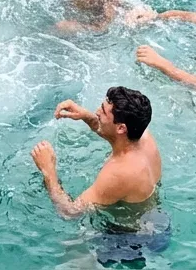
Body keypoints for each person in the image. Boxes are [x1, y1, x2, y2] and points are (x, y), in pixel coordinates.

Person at [31, 88, 167, 259]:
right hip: (156, 222)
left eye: (102, 112)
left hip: (128, 240)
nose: (96, 112)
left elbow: (69, 212)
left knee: (70, 252)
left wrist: (48, 170)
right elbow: (115, 135)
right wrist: (86, 117)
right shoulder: (143, 137)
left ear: (121, 128)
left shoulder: (120, 172)